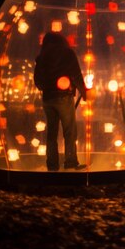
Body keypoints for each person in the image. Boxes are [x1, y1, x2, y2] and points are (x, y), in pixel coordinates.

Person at [34, 32, 87, 171]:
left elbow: (37, 81)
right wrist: (84, 92)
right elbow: (76, 74)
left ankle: (52, 165)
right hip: (63, 97)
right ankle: (70, 162)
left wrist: (47, 87)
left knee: (51, 132)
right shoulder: (67, 53)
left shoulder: (42, 57)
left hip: (48, 99)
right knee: (69, 130)